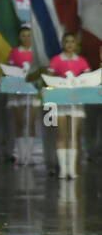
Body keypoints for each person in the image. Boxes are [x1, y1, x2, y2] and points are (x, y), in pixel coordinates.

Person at [47, 32, 91, 179]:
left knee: (74, 135)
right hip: (60, 101)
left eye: (72, 41)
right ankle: (63, 170)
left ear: (76, 44)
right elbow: (49, 81)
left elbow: (88, 80)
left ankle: (71, 170)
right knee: (61, 134)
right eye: (67, 42)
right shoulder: (56, 60)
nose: (70, 45)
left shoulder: (82, 61)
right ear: (63, 43)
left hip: (76, 101)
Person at [7, 24, 37, 165]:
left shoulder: (36, 52)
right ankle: (21, 155)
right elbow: (10, 70)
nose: (26, 38)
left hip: (34, 92)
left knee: (31, 122)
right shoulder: (14, 52)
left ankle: (29, 156)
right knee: (19, 122)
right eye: (23, 35)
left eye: (28, 35)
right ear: (19, 37)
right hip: (18, 92)